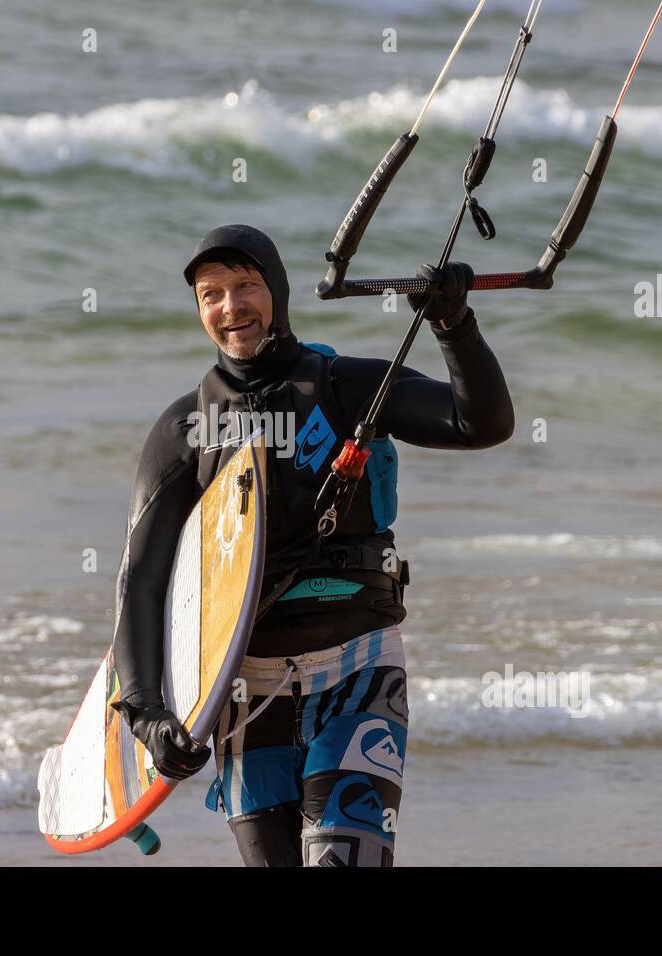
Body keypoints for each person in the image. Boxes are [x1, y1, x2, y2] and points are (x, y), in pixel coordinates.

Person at [110, 224, 514, 866]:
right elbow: (144, 580)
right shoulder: (185, 428)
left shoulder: (344, 388)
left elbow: (482, 423)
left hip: (354, 670)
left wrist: (454, 324)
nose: (230, 306)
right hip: (242, 695)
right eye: (210, 293)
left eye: (246, 286)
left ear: (279, 291)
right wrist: (147, 713)